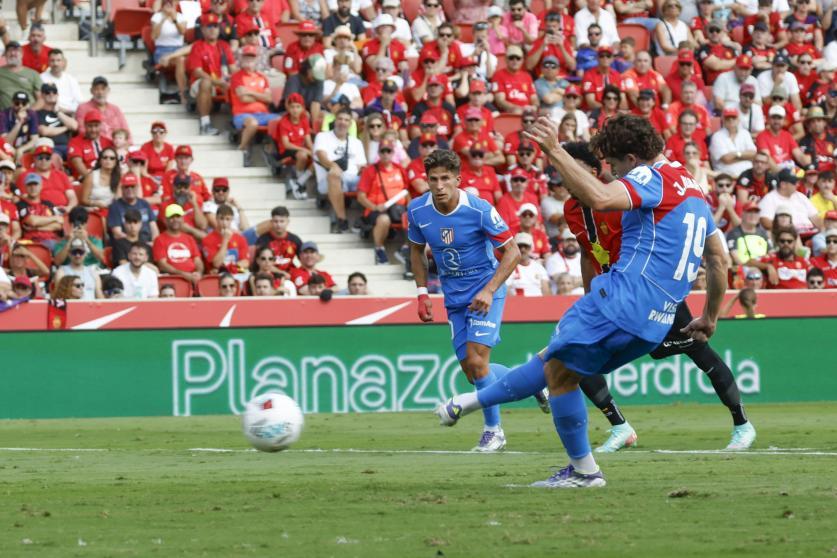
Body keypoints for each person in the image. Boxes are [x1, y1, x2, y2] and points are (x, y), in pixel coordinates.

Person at [436, 115, 733, 487]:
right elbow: (719, 260)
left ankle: (581, 470)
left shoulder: (650, 175)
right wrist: (709, 317)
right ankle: (467, 406)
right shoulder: (694, 190)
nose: (612, 171)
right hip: (659, 318)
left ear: (631, 157)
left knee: (557, 369)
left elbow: (600, 197)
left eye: (613, 164)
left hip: (625, 297)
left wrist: (555, 150)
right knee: (560, 368)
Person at [410, 149, 546, 453]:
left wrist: (489, 289)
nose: (440, 185)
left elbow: (512, 252)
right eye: (434, 179)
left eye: (446, 178)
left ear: (458, 179)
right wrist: (422, 293)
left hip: (487, 291)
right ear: (427, 181)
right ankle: (533, 381)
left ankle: (493, 432)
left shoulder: (480, 209)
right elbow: (416, 251)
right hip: (453, 297)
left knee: (477, 360)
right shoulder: (418, 211)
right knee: (473, 371)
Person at [313, 108, 366, 233]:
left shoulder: (356, 142)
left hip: (352, 180)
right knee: (334, 174)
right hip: (328, 180)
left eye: (346, 120)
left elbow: (362, 166)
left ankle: (365, 220)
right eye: (340, 119)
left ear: (350, 123)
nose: (343, 122)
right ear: (335, 120)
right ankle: (342, 220)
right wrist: (334, 166)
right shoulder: (322, 136)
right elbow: (322, 156)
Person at [356, 138, 408, 265]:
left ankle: (405, 249)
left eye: (388, 151)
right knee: (384, 219)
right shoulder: (370, 170)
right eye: (383, 151)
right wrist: (374, 207)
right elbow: (360, 196)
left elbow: (407, 190)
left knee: (419, 218)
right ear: (378, 153)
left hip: (398, 209)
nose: (385, 154)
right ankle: (379, 249)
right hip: (377, 210)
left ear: (393, 153)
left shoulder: (399, 169)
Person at [187, 14, 235, 136]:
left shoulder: (224, 45)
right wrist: (218, 82)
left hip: (222, 82)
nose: (213, 29)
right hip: (201, 83)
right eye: (209, 27)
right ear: (202, 29)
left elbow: (233, 68)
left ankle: (236, 126)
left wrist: (235, 79)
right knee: (206, 82)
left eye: (215, 26)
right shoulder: (197, 46)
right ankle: (205, 124)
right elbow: (197, 71)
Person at [230, 44, 278, 166]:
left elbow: (269, 99)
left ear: (256, 59)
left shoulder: (262, 77)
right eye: (246, 57)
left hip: (263, 114)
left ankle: (271, 150)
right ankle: (242, 149)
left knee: (281, 120)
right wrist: (260, 96)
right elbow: (243, 98)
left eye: (252, 58)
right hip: (242, 114)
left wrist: (251, 92)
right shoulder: (237, 77)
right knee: (252, 123)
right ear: (241, 59)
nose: (249, 60)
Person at [758, 169, 822, 235]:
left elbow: (815, 218)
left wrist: (824, 231)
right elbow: (766, 222)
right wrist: (787, 232)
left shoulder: (800, 196)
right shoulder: (769, 199)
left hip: (811, 234)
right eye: (794, 182)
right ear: (783, 184)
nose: (798, 185)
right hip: (790, 238)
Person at [153, 204, 204, 284]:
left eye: (178, 217)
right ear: (165, 220)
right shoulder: (159, 240)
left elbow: (197, 260)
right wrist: (184, 275)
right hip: (173, 280)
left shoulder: (189, 238)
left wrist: (199, 272)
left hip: (193, 278)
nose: (175, 220)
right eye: (172, 217)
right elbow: (162, 265)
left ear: (183, 219)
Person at [75, 76, 130, 143]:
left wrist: (128, 144)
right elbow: (82, 131)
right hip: (94, 144)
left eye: (103, 89)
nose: (100, 92)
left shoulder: (115, 109)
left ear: (108, 90)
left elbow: (126, 130)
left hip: (116, 145)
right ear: (91, 91)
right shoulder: (83, 108)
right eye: (97, 89)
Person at [16, 172, 62, 248]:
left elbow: (59, 225)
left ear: (41, 186)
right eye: (30, 185)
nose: (33, 188)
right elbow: (33, 221)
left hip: (52, 240)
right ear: (25, 187)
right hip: (32, 241)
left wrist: (37, 228)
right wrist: (55, 218)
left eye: (35, 184)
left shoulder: (48, 204)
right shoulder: (21, 204)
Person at [108, 175, 158, 244]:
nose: (130, 189)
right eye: (126, 187)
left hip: (147, 244)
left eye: (132, 186)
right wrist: (138, 245)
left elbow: (153, 227)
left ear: (137, 188)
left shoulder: (144, 203)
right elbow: (117, 234)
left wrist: (154, 243)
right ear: (122, 189)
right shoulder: (115, 207)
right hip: (127, 245)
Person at [709, 107, 757, 177]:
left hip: (748, 175)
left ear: (738, 120)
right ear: (723, 120)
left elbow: (753, 154)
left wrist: (736, 155)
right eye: (728, 118)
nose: (731, 120)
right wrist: (746, 156)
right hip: (726, 176)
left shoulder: (745, 133)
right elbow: (726, 159)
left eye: (733, 118)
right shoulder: (717, 136)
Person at [202, 204, 250, 274]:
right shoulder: (207, 239)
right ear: (216, 219)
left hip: (235, 273)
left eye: (227, 219)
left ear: (232, 220)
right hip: (216, 277)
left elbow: (246, 262)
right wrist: (225, 240)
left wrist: (229, 268)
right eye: (221, 218)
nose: (224, 223)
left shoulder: (240, 238)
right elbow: (216, 264)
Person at [67, 109, 114, 180]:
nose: (93, 130)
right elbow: (77, 163)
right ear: (85, 125)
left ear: (101, 125)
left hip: (107, 177)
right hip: (85, 179)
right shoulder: (75, 142)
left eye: (96, 126)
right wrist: (92, 180)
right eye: (90, 126)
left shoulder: (108, 142)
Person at [0, 41, 42, 109]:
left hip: (29, 114)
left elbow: (41, 99)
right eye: (9, 50)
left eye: (16, 50)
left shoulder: (33, 74)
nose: (13, 53)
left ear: (22, 54)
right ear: (5, 54)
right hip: (5, 115)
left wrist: (30, 113)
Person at [727, 202, 771, 267]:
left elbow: (771, 253)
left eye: (756, 213)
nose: (753, 215)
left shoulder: (763, 233)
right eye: (749, 212)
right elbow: (736, 258)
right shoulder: (734, 233)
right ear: (742, 214)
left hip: (764, 268)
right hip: (745, 270)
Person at [506, 232, 550, 296]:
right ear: (515, 248)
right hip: (519, 303)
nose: (523, 249)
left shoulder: (538, 267)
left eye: (526, 246)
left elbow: (545, 290)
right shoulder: (509, 267)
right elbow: (506, 290)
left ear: (531, 248)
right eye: (520, 246)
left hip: (539, 302)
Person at [1, 91, 39, 159]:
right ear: (12, 103)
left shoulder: (32, 114)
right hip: (8, 148)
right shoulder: (4, 115)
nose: (20, 106)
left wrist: (21, 149)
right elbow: (5, 142)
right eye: (17, 103)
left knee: (38, 146)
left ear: (28, 104)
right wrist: (19, 122)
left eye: (24, 103)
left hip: (25, 147)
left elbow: (35, 139)